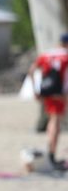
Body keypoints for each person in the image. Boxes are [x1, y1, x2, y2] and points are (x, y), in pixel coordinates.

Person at [29, 33, 68, 169]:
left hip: (46, 92)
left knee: (52, 120)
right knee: (55, 122)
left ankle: (51, 151)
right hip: (60, 93)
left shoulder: (46, 55)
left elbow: (32, 70)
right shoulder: (65, 56)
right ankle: (51, 153)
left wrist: (35, 90)